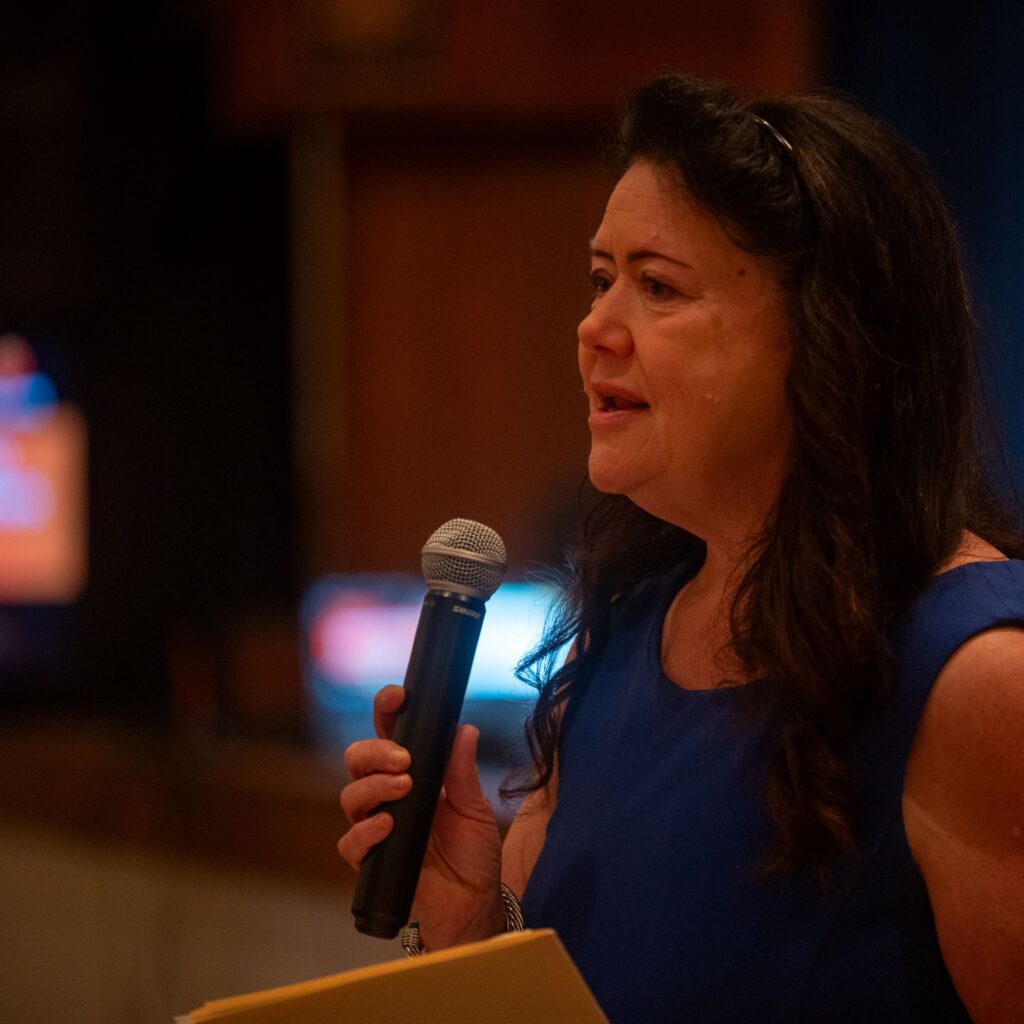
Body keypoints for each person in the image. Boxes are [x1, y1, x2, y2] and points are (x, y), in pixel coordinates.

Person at [338, 74, 1024, 1023]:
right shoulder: (618, 634)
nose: (594, 328)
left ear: (826, 337)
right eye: (601, 279)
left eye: (657, 285)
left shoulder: (978, 681)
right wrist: (466, 924)